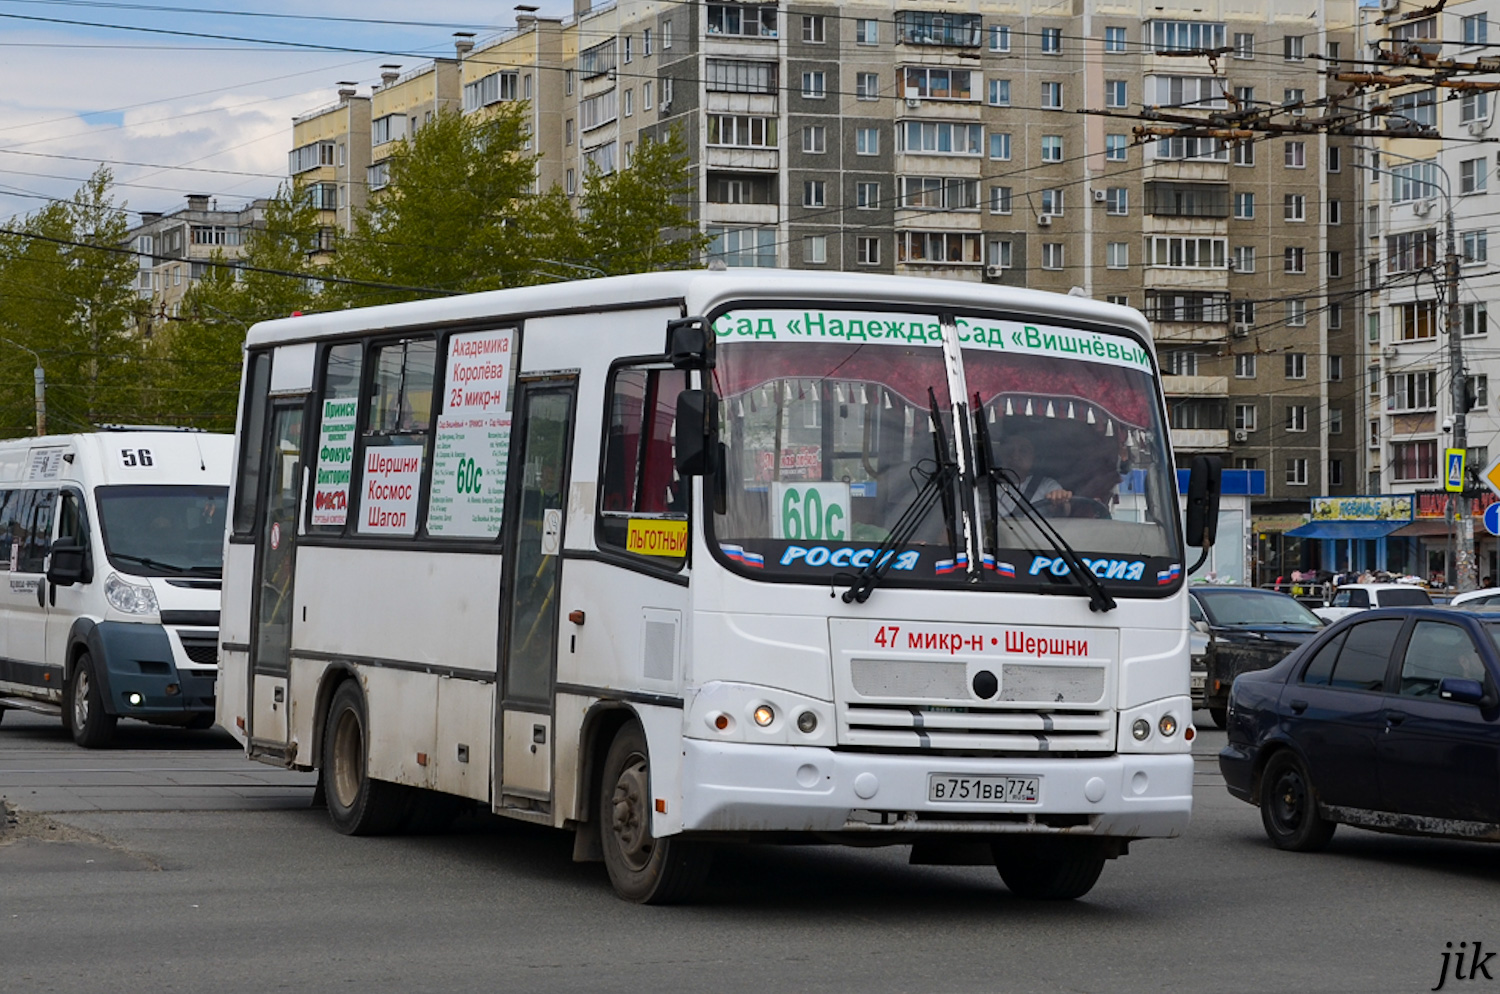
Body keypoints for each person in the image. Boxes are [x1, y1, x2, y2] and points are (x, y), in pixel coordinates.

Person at [994, 433, 1072, 514]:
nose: (1015, 456)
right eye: (1009, 450)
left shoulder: (1047, 485)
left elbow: (1063, 510)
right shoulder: (987, 486)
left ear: (1034, 457)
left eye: (1023, 451)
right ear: (1000, 455)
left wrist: (1060, 499)